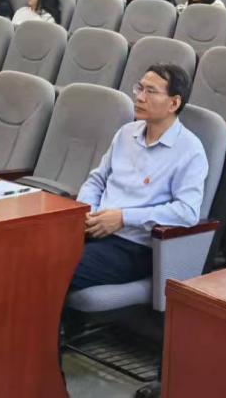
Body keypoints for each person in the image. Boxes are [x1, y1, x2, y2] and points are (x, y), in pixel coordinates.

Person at [70, 64, 208, 293]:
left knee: (52, 266)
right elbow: (97, 180)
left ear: (174, 103)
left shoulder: (190, 150)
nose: (140, 97)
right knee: (25, 249)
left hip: (133, 246)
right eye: (140, 88)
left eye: (150, 91)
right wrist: (88, 211)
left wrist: (124, 218)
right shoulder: (126, 133)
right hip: (93, 228)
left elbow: (187, 212)